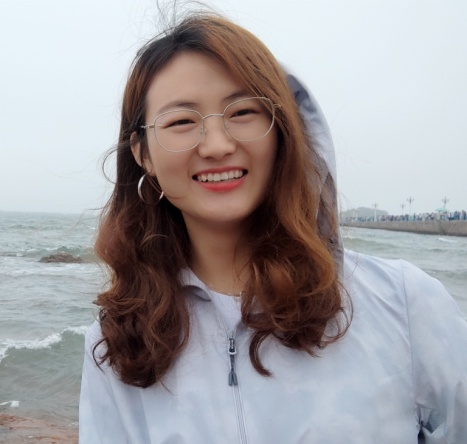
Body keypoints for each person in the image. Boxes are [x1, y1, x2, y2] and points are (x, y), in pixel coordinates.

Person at [79, 10, 467, 444]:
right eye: (181, 121)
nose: (218, 145)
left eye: (243, 111)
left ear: (282, 129)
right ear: (143, 153)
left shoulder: (404, 304)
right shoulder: (118, 343)